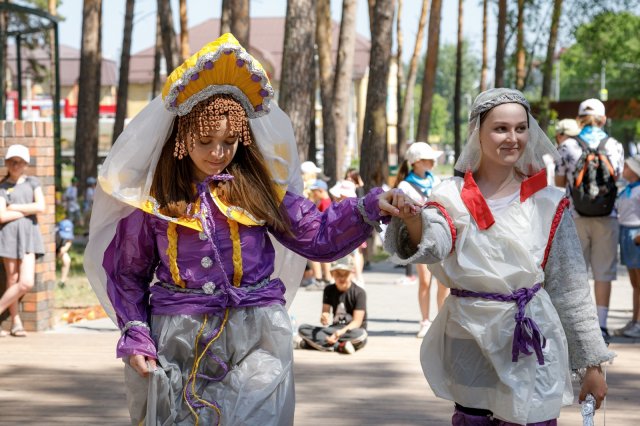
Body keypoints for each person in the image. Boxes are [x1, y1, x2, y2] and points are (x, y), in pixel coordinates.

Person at [83, 34, 403, 426]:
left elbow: (316, 235)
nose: (218, 152)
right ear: (182, 136)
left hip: (257, 335)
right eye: (206, 141)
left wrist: (369, 207)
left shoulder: (255, 191)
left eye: (229, 141)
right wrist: (136, 333)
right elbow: (128, 273)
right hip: (179, 337)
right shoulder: (155, 201)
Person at [385, 88, 612, 425]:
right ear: (477, 131)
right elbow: (432, 243)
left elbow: (571, 289)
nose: (513, 138)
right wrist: (411, 218)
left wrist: (592, 365)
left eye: (521, 128)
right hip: (470, 337)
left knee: (534, 418)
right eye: (501, 128)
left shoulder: (548, 201)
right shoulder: (450, 196)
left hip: (532, 335)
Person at [555, 98, 624, 340]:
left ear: (579, 119)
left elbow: (559, 184)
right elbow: (617, 180)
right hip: (608, 216)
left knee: (576, 273)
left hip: (575, 217)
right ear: (603, 119)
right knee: (604, 273)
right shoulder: (615, 145)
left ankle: (579, 326)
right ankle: (602, 326)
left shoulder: (567, 146)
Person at [394, 141, 449, 338]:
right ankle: (425, 321)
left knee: (443, 281)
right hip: (419, 237)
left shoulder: (436, 181)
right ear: (416, 162)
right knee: (424, 281)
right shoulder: (404, 186)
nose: (432, 162)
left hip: (439, 236)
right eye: (428, 159)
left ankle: (442, 320)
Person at [0, 144, 46, 338]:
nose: (15, 165)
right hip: (8, 235)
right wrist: (27, 210)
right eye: (12, 161)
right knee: (12, 280)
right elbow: (1, 216)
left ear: (26, 163)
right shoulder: (3, 187)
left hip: (29, 235)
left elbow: (41, 206)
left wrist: (15, 207)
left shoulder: (32, 182)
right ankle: (16, 322)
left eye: (19, 161)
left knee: (25, 282)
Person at [297, 256, 368, 354]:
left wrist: (340, 333)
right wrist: (324, 317)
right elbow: (325, 313)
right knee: (303, 328)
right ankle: (340, 346)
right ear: (332, 274)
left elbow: (357, 322)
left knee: (361, 335)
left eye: (345, 274)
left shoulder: (359, 292)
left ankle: (316, 344)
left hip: (350, 331)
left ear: (352, 274)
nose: (342, 278)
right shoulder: (328, 290)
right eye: (338, 274)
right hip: (334, 329)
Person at [614, 156, 640, 338]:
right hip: (626, 233)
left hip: (636, 234)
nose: (624, 168)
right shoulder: (628, 189)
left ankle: (638, 322)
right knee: (635, 283)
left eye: (627, 166)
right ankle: (634, 320)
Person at [549, 119, 580, 187]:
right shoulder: (584, 144)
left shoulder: (564, 147)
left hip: (574, 195)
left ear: (560, 135)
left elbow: (559, 183)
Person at [56, 217, 75, 288]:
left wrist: (65, 248)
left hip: (60, 248)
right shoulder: (54, 233)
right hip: (52, 248)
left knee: (67, 260)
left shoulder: (69, 235)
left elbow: (69, 241)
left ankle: (62, 282)